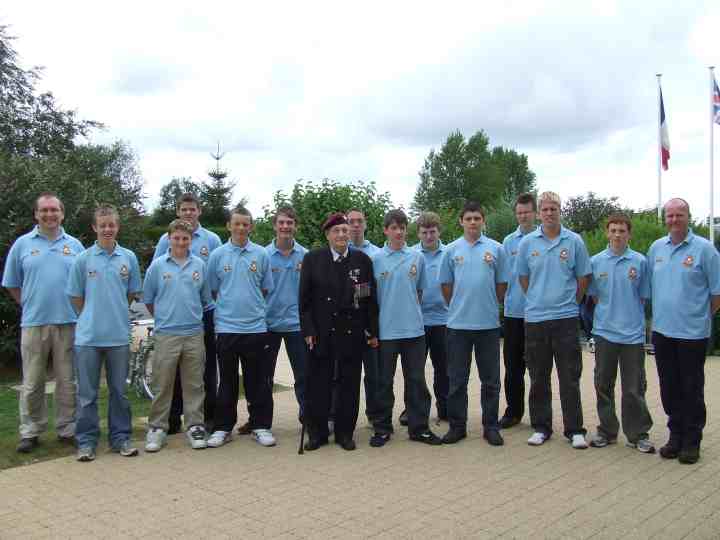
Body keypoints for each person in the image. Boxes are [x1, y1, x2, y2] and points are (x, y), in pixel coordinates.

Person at [2, 193, 83, 453]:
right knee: (33, 381)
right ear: (36, 214)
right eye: (44, 210)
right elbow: (12, 283)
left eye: (54, 210)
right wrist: (28, 303)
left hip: (69, 323)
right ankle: (31, 431)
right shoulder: (22, 245)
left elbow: (84, 284)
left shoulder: (75, 246)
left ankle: (67, 429)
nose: (50, 214)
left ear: (62, 213)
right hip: (34, 323)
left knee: (67, 381)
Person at [66, 205, 142, 462]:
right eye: (103, 225)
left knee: (119, 392)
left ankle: (120, 438)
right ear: (94, 227)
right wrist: (90, 316)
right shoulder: (82, 259)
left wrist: (114, 313)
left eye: (112, 225)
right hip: (88, 339)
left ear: (117, 226)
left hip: (118, 337)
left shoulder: (129, 258)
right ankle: (86, 442)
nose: (107, 229)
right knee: (87, 395)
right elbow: (75, 297)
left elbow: (130, 294)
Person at [516, 191, 591, 449]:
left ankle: (575, 430)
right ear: (538, 213)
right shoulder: (527, 243)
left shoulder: (574, 241)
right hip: (536, 318)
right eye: (545, 209)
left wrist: (571, 301)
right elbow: (523, 278)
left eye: (554, 208)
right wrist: (538, 298)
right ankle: (541, 427)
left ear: (560, 211)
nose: (549, 213)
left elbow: (583, 278)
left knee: (569, 376)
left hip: (566, 318)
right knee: (538, 376)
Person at [648, 198, 720, 464]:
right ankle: (675, 436)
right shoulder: (656, 248)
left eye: (679, 215)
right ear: (665, 219)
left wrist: (698, 316)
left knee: (691, 388)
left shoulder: (705, 250)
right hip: (662, 332)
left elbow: (716, 293)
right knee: (669, 388)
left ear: (688, 217)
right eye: (670, 215)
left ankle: (692, 442)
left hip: (692, 334)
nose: (674, 220)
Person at [299, 213, 379, 451]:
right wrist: (308, 329)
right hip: (321, 332)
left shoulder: (362, 261)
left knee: (349, 385)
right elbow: (304, 301)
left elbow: (367, 299)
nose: (342, 235)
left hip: (351, 332)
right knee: (318, 385)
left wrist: (371, 330)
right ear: (328, 235)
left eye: (345, 230)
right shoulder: (313, 259)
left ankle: (345, 433)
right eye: (336, 231)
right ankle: (318, 433)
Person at [370, 209, 441, 447]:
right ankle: (382, 428)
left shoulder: (416, 258)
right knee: (383, 382)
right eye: (394, 228)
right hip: (386, 332)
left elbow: (418, 292)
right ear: (385, 230)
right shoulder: (375, 260)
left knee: (416, 381)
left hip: (414, 331)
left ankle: (419, 428)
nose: (399, 232)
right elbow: (371, 299)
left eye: (402, 228)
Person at [206, 206, 275, 448]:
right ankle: (223, 428)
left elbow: (265, 288)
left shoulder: (261, 254)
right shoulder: (217, 255)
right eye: (237, 223)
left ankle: (260, 426)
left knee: (257, 381)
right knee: (227, 382)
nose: (241, 228)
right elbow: (213, 290)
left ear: (251, 227)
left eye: (245, 224)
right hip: (226, 329)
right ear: (229, 226)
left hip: (255, 328)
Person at [439, 201, 507, 446]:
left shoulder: (496, 249)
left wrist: (488, 304)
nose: (473, 222)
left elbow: (502, 285)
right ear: (461, 221)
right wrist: (459, 305)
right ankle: (457, 427)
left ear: (483, 220)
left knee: (491, 381)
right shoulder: (450, 250)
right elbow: (446, 286)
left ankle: (491, 427)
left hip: (488, 325)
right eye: (468, 218)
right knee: (457, 381)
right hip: (458, 326)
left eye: (477, 218)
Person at [153, 192, 222, 434]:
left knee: (205, 368)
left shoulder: (212, 239)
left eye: (192, 209)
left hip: (204, 311)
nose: (188, 213)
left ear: (199, 211)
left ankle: (207, 417)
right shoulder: (166, 239)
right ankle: (172, 418)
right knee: (171, 369)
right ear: (178, 211)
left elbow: (217, 276)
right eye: (184, 209)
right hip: (174, 316)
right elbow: (156, 276)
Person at [143, 219, 213, 452]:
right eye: (177, 238)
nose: (181, 242)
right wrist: (165, 317)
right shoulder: (157, 266)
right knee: (163, 383)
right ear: (169, 239)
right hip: (166, 334)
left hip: (193, 333)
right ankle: (157, 428)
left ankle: (195, 426)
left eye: (185, 238)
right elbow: (149, 300)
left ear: (191, 240)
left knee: (194, 384)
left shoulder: (199, 265)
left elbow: (205, 299)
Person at [587, 214, 654, 453]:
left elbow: (643, 297)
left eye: (622, 231)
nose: (617, 235)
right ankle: (607, 431)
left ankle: (638, 435)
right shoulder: (595, 262)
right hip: (605, 333)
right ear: (607, 233)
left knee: (634, 388)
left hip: (632, 337)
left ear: (629, 234)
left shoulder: (640, 262)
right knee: (603, 385)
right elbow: (595, 297)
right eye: (613, 230)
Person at [263, 206, 307, 424]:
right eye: (281, 222)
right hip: (268, 324)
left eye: (289, 223)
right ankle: (261, 422)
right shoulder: (263, 255)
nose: (285, 226)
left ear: (295, 226)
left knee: (304, 377)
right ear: (275, 225)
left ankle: (308, 418)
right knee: (264, 377)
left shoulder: (306, 256)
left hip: (297, 325)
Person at [499, 193, 537, 429]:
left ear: (535, 213)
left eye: (527, 212)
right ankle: (513, 412)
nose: (523, 216)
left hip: (538, 314)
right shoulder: (508, 241)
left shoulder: (544, 239)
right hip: (514, 312)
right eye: (519, 212)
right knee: (513, 367)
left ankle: (539, 416)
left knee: (538, 369)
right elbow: (503, 276)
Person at [410, 212, 449, 423]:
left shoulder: (449, 253)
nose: (428, 236)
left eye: (432, 232)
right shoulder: (411, 254)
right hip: (417, 321)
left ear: (439, 231)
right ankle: (414, 410)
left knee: (444, 369)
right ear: (418, 233)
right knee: (414, 371)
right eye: (424, 232)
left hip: (444, 320)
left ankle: (445, 409)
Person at [347, 208, 383, 426]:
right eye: (351, 221)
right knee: (343, 374)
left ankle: (375, 415)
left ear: (365, 224)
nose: (355, 225)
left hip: (369, 322)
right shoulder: (339, 251)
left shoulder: (376, 253)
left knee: (373, 374)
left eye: (359, 221)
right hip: (345, 323)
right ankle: (339, 416)